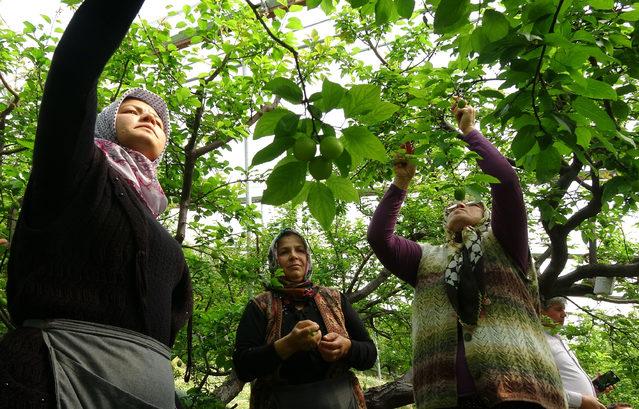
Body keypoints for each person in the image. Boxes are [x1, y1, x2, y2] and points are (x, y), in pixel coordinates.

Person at [0, 1, 192, 408]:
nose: (148, 118)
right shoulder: (75, 172)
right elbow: (74, 72)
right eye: (132, 110)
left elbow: (170, 318)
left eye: (157, 120)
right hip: (53, 379)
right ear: (106, 122)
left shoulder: (157, 224)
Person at [367, 100, 567, 408]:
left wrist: (470, 132)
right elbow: (379, 238)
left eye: (471, 204)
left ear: (486, 217)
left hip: (519, 392)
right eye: (450, 208)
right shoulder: (426, 258)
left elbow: (506, 182)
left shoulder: (503, 244)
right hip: (446, 398)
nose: (459, 206)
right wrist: (401, 183)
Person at [233, 228, 377, 409]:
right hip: (279, 402)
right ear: (274, 260)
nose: (293, 256)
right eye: (284, 252)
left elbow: (370, 354)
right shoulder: (260, 305)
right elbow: (242, 367)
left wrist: (347, 347)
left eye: (300, 250)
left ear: (307, 257)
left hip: (339, 401)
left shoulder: (334, 299)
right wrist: (288, 345)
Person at [542, 297, 610, 409]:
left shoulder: (559, 339)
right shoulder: (537, 340)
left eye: (564, 310)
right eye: (558, 309)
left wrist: (594, 388)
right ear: (541, 311)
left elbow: (566, 380)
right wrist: (580, 401)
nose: (564, 314)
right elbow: (531, 386)